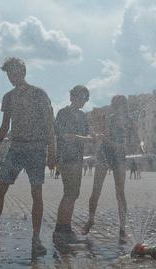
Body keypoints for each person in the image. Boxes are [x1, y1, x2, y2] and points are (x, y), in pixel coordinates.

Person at [0, 57, 55, 256]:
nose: (11, 78)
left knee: (36, 192)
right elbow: (5, 126)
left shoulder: (39, 93)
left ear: (22, 71)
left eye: (14, 73)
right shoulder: (8, 97)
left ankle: (36, 239)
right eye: (8, 75)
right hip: (16, 147)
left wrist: (52, 152)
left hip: (36, 149)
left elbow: (49, 124)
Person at [82, 95, 140, 244]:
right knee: (96, 190)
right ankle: (91, 219)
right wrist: (101, 138)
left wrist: (134, 144)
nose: (116, 107)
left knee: (120, 192)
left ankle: (122, 228)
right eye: (114, 104)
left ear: (124, 105)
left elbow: (135, 139)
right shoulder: (109, 119)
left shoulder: (130, 121)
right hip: (105, 154)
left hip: (119, 156)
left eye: (118, 104)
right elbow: (104, 137)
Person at [53, 85, 93, 245]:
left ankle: (64, 226)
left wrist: (93, 136)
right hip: (66, 157)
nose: (83, 101)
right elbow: (63, 135)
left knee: (73, 193)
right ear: (72, 97)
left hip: (77, 157)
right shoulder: (63, 113)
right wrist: (83, 138)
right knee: (69, 192)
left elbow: (86, 134)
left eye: (86, 98)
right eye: (81, 97)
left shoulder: (83, 116)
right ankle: (61, 227)